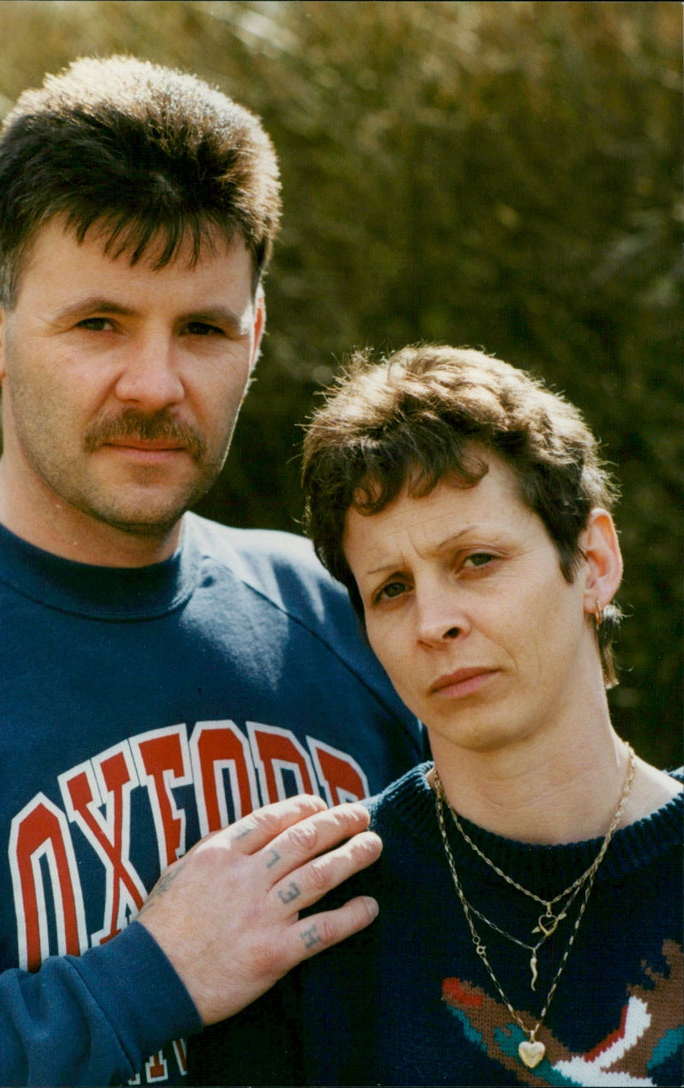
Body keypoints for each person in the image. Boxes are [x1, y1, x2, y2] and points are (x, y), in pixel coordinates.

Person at [0, 58, 425, 1087]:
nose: (154, 382)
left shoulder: (352, 615)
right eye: (98, 323)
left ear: (254, 337)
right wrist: (148, 976)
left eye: (204, 329)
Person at [191, 344, 683, 1087]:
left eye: (476, 560)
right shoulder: (309, 924)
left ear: (593, 561)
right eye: (391, 588)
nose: (434, 621)